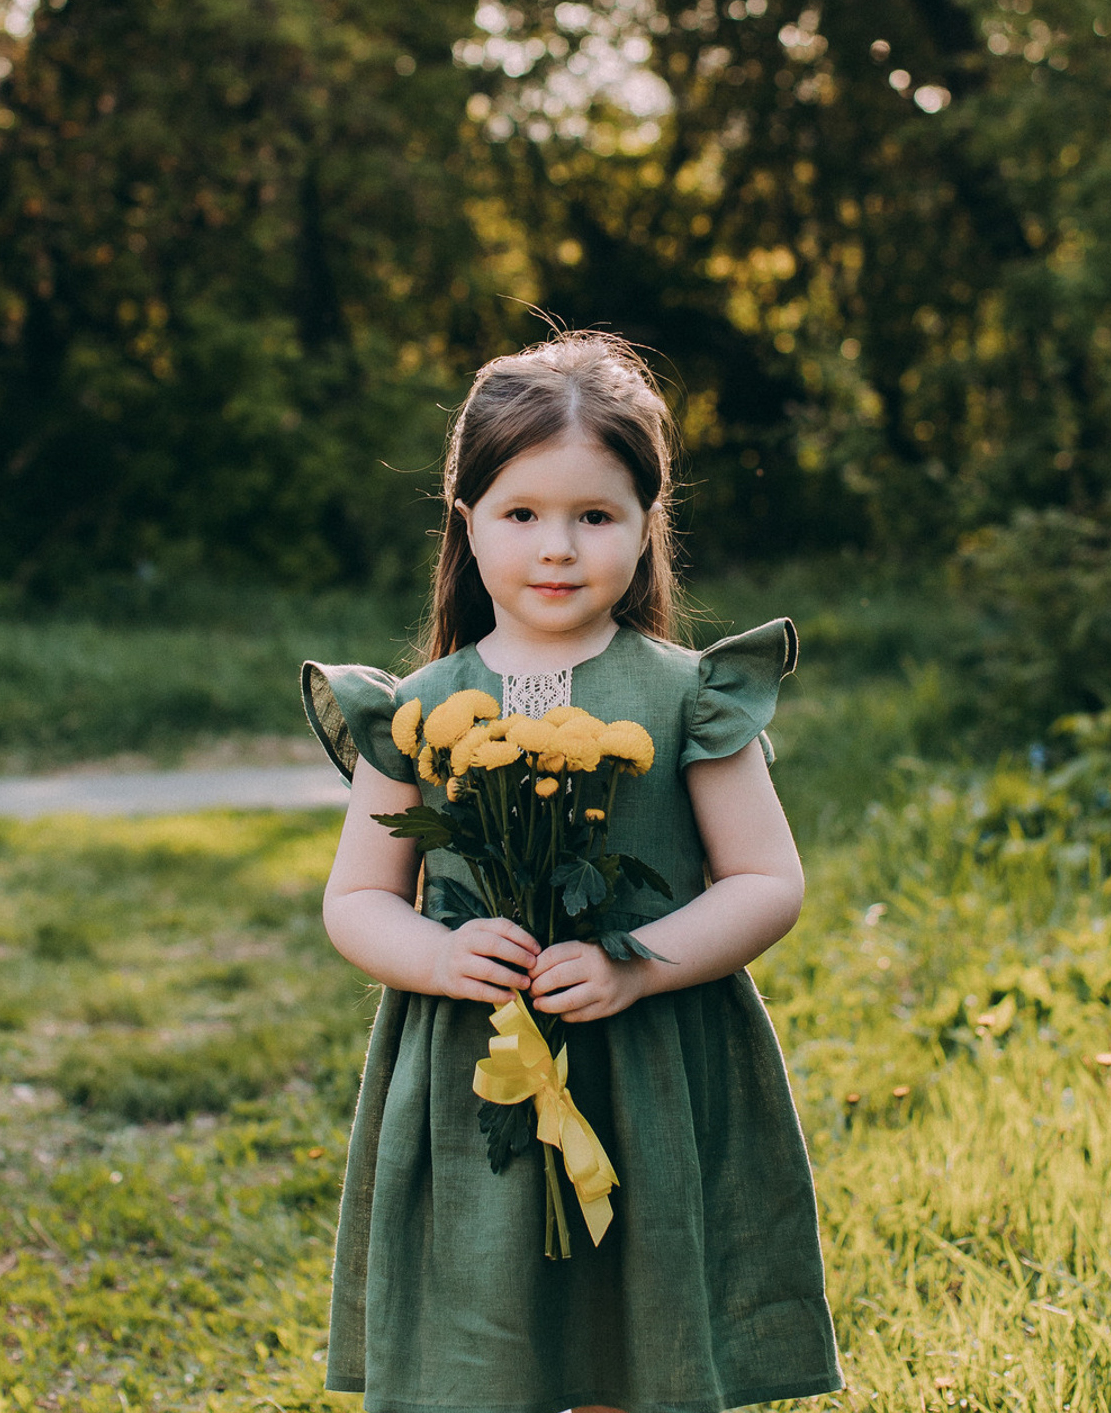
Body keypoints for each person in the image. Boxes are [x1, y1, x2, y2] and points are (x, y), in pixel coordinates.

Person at [302, 330, 842, 1413]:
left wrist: (639, 965)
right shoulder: (416, 710)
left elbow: (766, 881)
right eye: (522, 515)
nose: (557, 548)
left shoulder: (692, 698)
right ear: (467, 521)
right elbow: (357, 899)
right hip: (475, 1074)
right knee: (487, 1342)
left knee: (630, 1338)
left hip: (649, 1068)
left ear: (647, 523)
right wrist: (440, 955)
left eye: (595, 516)